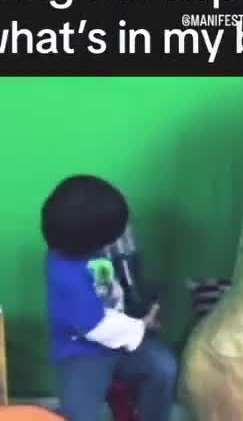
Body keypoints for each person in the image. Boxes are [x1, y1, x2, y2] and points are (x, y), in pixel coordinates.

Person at [42, 174, 178, 421]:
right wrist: (142, 325)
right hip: (82, 350)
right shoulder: (66, 275)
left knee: (163, 368)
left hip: (121, 335)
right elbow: (93, 326)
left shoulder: (92, 246)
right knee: (78, 414)